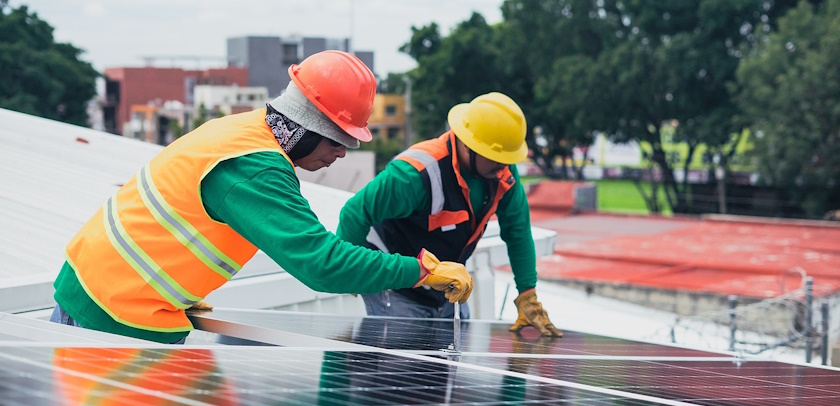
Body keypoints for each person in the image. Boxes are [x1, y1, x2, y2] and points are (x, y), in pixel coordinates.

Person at [49, 50, 472, 344]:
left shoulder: (244, 131)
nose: (342, 153)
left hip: (107, 292)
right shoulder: (255, 168)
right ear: (309, 124)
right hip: (112, 313)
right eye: (339, 139)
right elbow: (321, 265)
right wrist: (420, 270)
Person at [337, 92, 562, 337]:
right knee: (403, 365)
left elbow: (518, 232)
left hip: (447, 287)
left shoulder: (502, 176)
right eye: (497, 158)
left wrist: (527, 293)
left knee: (446, 365)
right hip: (397, 287)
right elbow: (354, 213)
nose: (504, 166)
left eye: (507, 159)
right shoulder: (415, 174)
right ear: (468, 145)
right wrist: (352, 273)